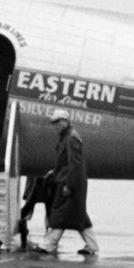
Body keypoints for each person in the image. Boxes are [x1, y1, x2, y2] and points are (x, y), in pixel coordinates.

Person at [34, 109, 100, 256]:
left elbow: (75, 164)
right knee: (79, 216)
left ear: (66, 121)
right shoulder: (67, 136)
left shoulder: (71, 137)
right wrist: (55, 172)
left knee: (59, 214)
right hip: (68, 180)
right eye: (54, 122)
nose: (55, 125)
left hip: (68, 182)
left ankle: (48, 245)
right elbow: (66, 161)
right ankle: (92, 246)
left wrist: (69, 185)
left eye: (58, 121)